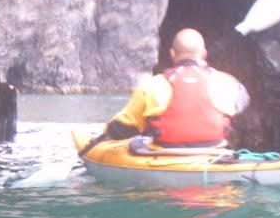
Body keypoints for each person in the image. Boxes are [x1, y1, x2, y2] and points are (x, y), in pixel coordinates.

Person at [89, 28, 250, 150]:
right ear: (204, 54)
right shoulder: (225, 83)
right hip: (213, 153)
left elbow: (122, 128)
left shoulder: (151, 86)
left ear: (172, 54)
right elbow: (243, 102)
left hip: (165, 153)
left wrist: (103, 138)